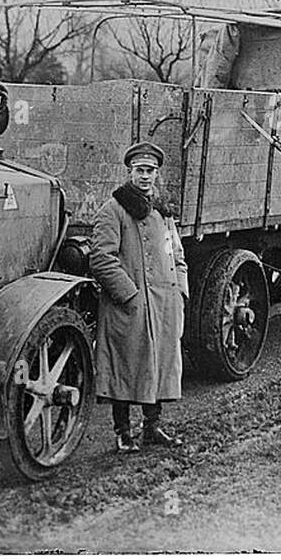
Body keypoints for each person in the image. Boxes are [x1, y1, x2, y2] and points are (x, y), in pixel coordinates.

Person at [89, 141, 189, 453]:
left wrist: (181, 289)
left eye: (151, 171)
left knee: (158, 364)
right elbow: (101, 258)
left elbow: (177, 254)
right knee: (125, 366)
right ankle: (122, 431)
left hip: (164, 303)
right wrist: (130, 295)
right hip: (130, 306)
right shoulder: (114, 210)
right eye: (140, 170)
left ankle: (152, 428)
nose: (145, 177)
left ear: (157, 174)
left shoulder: (162, 211)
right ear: (130, 172)